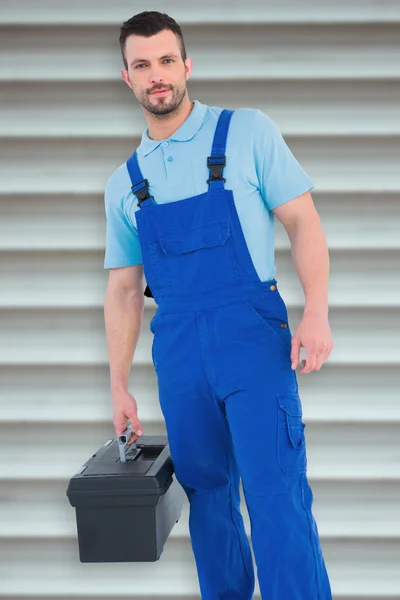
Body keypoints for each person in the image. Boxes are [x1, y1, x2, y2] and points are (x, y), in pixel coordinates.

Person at [103, 10, 334, 599]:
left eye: (165, 60)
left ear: (186, 65)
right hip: (179, 353)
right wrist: (119, 383)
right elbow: (126, 290)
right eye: (141, 64)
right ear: (125, 76)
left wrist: (316, 312)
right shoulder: (126, 182)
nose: (156, 75)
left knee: (276, 494)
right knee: (209, 499)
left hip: (253, 342)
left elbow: (303, 222)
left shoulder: (247, 132)